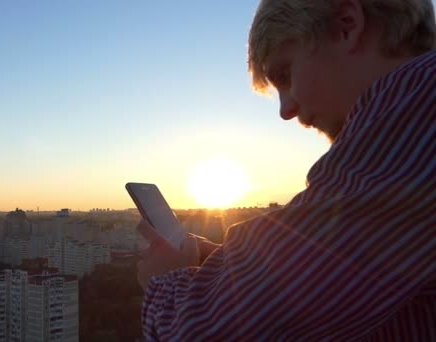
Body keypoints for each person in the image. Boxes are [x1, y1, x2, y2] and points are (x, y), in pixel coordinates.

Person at [136, 0, 436, 340]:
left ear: (346, 26)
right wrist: (215, 262)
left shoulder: (419, 110)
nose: (286, 110)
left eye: (284, 74)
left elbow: (210, 329)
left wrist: (166, 283)